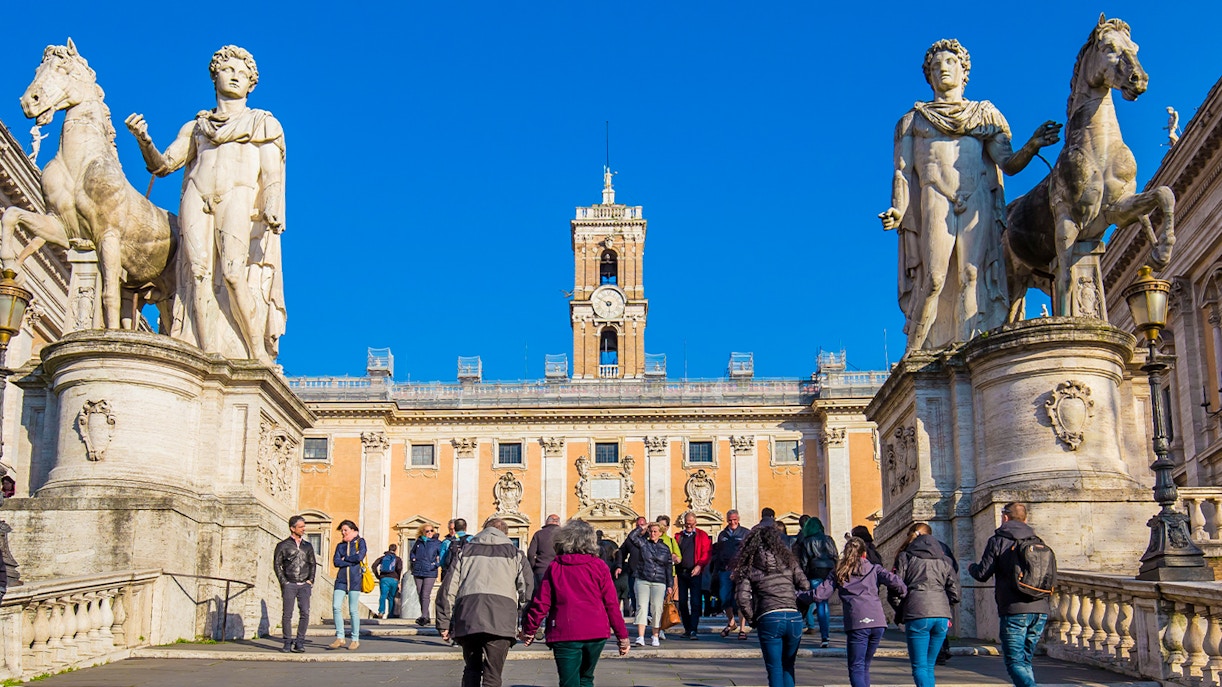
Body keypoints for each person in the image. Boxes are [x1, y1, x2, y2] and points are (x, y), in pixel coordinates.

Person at [879, 39, 1061, 352]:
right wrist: (898, 209)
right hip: (935, 196)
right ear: (929, 76)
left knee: (971, 274)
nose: (942, 69)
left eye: (950, 62)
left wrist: (1032, 145)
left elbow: (1008, 164)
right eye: (936, 66)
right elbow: (903, 172)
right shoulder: (912, 121)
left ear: (964, 72)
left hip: (976, 196)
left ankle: (968, 351)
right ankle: (915, 352)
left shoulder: (984, 115)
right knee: (934, 278)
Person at [125, 45, 287, 363]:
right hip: (197, 195)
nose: (235, 76)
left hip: (237, 195)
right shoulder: (197, 127)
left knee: (233, 273)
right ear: (215, 77)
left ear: (251, 84)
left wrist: (271, 205)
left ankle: (256, 351)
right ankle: (207, 352)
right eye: (228, 70)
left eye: (242, 73)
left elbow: (271, 174)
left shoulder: (263, 123)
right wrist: (145, 140)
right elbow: (163, 165)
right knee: (196, 274)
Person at [519, 519, 630, 687]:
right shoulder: (599, 566)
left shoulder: (556, 566)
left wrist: (530, 630)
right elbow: (611, 604)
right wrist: (622, 636)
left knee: (569, 681)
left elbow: (542, 602)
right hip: (596, 631)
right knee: (586, 678)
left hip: (565, 630)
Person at [436, 517, 532, 687]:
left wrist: (444, 623)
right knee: (493, 674)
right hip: (501, 619)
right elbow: (527, 591)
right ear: (505, 534)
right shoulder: (516, 554)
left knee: (471, 669)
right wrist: (528, 626)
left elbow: (448, 588)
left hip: (469, 616)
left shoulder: (465, 552)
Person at [969, 502, 1053, 687]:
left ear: (1005, 517)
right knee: (1025, 660)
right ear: (1025, 519)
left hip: (1014, 608)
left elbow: (982, 574)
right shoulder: (1038, 541)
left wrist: (971, 567)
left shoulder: (998, 540)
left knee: (1014, 661)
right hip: (1040, 608)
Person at [810, 537, 907, 687]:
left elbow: (820, 594)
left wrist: (798, 595)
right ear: (864, 554)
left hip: (857, 622)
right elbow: (897, 582)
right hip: (877, 621)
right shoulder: (875, 569)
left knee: (856, 666)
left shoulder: (839, 572)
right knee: (864, 665)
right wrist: (903, 594)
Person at [734, 524, 809, 687]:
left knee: (774, 668)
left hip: (769, 616)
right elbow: (805, 586)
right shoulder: (789, 561)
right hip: (793, 616)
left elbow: (742, 598)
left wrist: (752, 619)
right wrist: (799, 610)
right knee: (788, 666)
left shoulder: (749, 566)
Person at [893, 523, 960, 687]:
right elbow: (955, 592)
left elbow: (896, 587)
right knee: (929, 666)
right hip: (941, 614)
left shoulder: (905, 557)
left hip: (917, 610)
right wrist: (946, 607)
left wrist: (901, 608)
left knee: (920, 666)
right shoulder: (944, 559)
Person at [624, 521, 673, 646]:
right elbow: (632, 537)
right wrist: (644, 527)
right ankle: (640, 636)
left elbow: (668, 567)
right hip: (643, 579)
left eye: (655, 531)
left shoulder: (665, 548)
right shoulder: (643, 543)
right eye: (651, 531)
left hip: (659, 581)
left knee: (657, 608)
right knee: (642, 607)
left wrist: (670, 585)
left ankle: (655, 635)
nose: (652, 533)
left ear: (660, 533)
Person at [273, 514, 316, 653]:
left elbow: (312, 563)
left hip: (304, 584)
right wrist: (284, 581)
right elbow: (277, 564)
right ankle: (287, 642)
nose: (304, 529)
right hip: (289, 583)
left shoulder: (308, 546)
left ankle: (300, 642)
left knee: (305, 613)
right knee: (287, 614)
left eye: (304, 526)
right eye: (301, 526)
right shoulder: (282, 545)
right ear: (293, 528)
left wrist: (310, 580)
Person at [795, 516, 838, 647]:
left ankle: (821, 635)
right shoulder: (829, 539)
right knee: (824, 603)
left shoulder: (807, 541)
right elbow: (835, 556)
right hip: (829, 571)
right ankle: (825, 635)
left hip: (814, 571)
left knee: (819, 602)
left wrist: (803, 578)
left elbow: (804, 562)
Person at [330, 520, 366, 650]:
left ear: (353, 530)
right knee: (336, 606)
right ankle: (340, 637)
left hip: (355, 579)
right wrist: (350, 561)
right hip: (341, 580)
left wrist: (345, 559)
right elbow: (336, 562)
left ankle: (355, 639)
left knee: (353, 610)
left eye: (345, 530)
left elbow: (359, 557)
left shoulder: (360, 542)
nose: (343, 533)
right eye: (342, 531)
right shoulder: (340, 546)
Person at [675, 511, 711, 639]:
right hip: (682, 573)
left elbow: (706, 553)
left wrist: (699, 565)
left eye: (691, 523)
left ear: (695, 523)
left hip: (695, 572)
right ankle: (687, 628)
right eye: (687, 523)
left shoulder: (702, 535)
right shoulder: (678, 537)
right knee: (682, 602)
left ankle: (693, 629)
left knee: (695, 602)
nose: (689, 526)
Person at [715, 509, 748, 639]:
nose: (732, 522)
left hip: (741, 571)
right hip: (725, 570)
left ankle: (742, 628)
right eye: (730, 520)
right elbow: (718, 553)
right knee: (724, 598)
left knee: (741, 599)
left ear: (738, 519)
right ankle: (731, 621)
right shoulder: (722, 535)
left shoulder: (745, 533)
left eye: (735, 519)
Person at [409, 524, 443, 625]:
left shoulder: (437, 543)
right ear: (422, 532)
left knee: (425, 594)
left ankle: (423, 616)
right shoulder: (418, 542)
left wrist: (435, 565)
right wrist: (413, 559)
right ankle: (426, 616)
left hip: (430, 571)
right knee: (420, 593)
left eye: (431, 530)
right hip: (418, 570)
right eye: (427, 531)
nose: (429, 533)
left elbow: (442, 556)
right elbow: (412, 552)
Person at [617, 516, 649, 616]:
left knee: (647, 595)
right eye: (638, 526)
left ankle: (648, 615)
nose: (640, 528)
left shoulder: (650, 537)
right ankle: (637, 613)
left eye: (642, 525)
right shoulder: (630, 539)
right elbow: (622, 551)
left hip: (647, 571)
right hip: (633, 570)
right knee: (634, 594)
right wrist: (619, 565)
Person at [527, 514, 562, 587]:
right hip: (559, 570)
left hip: (541, 569)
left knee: (540, 593)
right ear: (558, 523)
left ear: (546, 522)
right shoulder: (564, 535)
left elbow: (531, 553)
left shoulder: (538, 534)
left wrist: (534, 566)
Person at [371, 543, 403, 620]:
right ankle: (391, 614)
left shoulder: (383, 558)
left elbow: (374, 566)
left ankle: (381, 612)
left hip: (384, 579)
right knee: (391, 597)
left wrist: (378, 576)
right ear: (396, 550)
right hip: (394, 579)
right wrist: (398, 578)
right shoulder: (398, 559)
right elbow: (399, 569)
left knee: (383, 595)